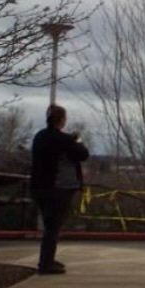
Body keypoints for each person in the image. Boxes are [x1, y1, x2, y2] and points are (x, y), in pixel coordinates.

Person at [29, 104, 88, 274]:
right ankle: (46, 263)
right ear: (62, 120)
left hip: (38, 187)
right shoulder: (64, 139)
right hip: (59, 188)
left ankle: (47, 259)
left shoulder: (39, 137)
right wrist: (77, 140)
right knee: (53, 226)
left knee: (49, 225)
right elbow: (83, 154)